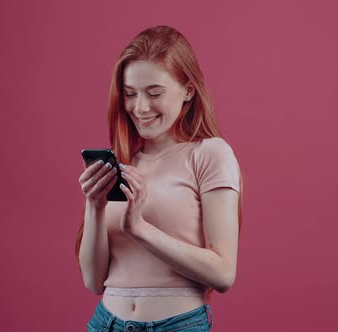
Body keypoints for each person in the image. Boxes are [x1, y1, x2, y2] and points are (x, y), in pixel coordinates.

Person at [76, 25, 243, 332]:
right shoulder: (123, 161)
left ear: (188, 90)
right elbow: (93, 281)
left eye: (154, 93)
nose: (140, 107)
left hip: (177, 325)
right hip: (105, 323)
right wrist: (94, 205)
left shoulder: (210, 154)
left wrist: (139, 229)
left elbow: (223, 273)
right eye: (130, 94)